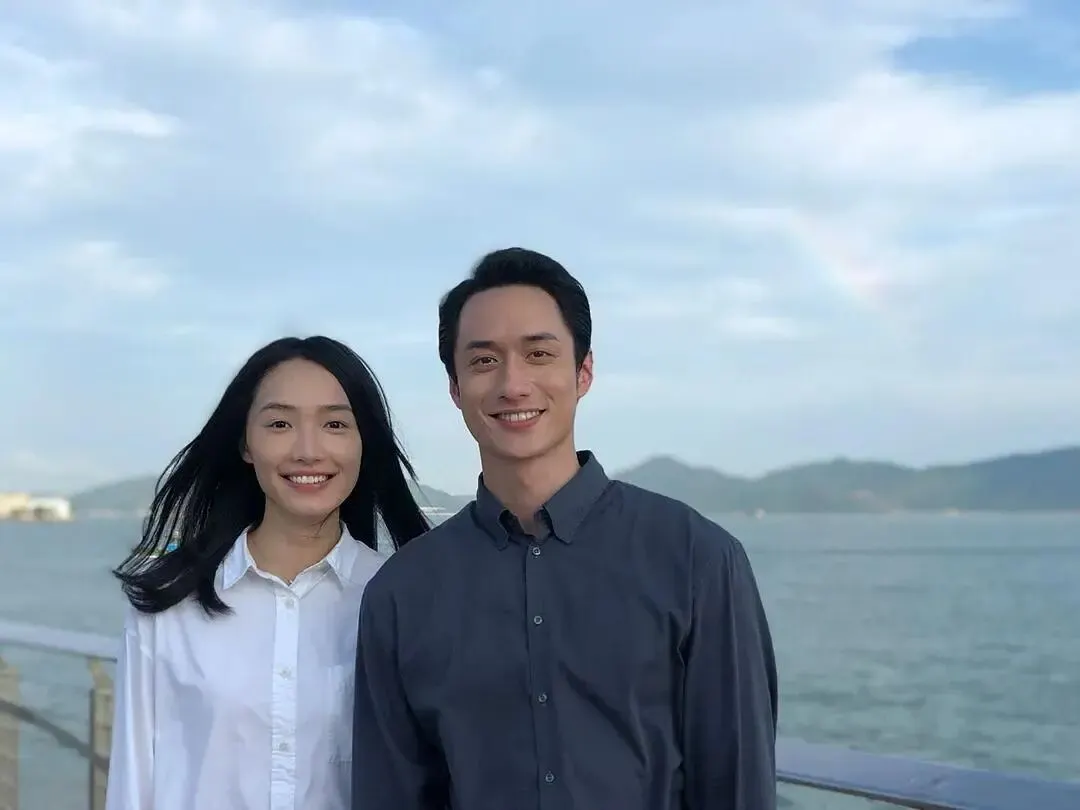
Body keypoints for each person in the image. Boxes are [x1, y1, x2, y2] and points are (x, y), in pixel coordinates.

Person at [352, 249, 779, 809]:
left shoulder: (698, 560)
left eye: (539, 354)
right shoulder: (402, 593)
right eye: (484, 361)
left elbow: (737, 784)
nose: (513, 384)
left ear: (583, 372)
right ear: (455, 388)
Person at [105, 336, 430, 810]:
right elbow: (132, 786)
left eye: (335, 424)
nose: (308, 451)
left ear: (364, 443)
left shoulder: (401, 597)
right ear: (245, 443)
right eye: (280, 423)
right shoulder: (170, 602)